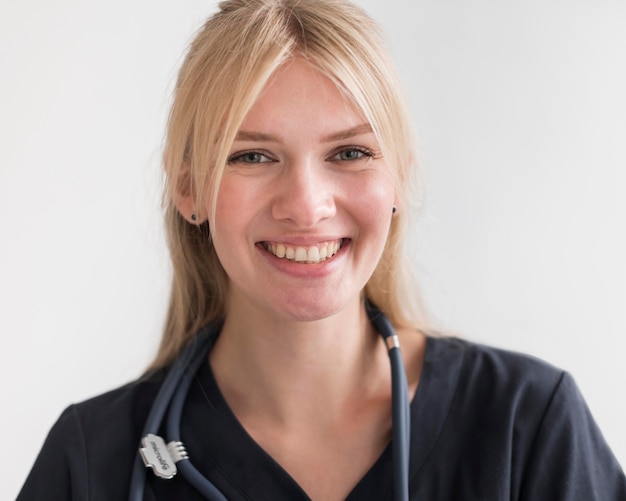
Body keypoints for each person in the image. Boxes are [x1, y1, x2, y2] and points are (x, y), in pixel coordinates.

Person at [18, 0, 626, 500]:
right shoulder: (90, 462)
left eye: (350, 153)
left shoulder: (530, 426)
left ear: (399, 181)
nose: (306, 206)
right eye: (252, 155)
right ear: (190, 189)